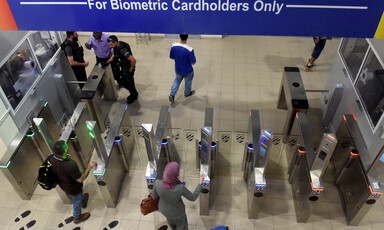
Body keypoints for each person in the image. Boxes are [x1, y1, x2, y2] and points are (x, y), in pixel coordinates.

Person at [50, 140, 97, 224]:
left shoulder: (52, 159)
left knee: (79, 196)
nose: (67, 148)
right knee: (77, 199)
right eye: (66, 147)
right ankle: (77, 217)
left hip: (63, 184)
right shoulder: (71, 165)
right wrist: (89, 168)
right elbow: (81, 179)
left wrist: (65, 158)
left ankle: (83, 200)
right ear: (64, 151)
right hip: (73, 188)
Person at [152, 162, 204, 230]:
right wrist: (200, 183)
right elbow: (193, 197)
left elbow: (154, 196)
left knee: (171, 222)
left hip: (163, 209)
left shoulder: (157, 183)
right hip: (177, 212)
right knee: (182, 225)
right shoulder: (180, 188)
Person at [108, 35, 138, 104]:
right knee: (122, 80)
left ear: (116, 42)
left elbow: (133, 60)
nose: (110, 46)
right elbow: (114, 55)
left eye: (111, 44)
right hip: (124, 67)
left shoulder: (122, 50)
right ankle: (133, 92)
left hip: (128, 69)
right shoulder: (117, 45)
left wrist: (131, 69)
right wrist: (107, 61)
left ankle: (133, 95)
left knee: (129, 83)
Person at [169, 34, 196, 103]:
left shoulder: (174, 46)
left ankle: (172, 94)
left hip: (178, 69)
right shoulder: (190, 49)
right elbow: (193, 62)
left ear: (179, 36)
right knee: (188, 82)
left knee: (177, 80)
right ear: (187, 37)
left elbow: (171, 57)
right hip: (188, 71)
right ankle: (187, 93)